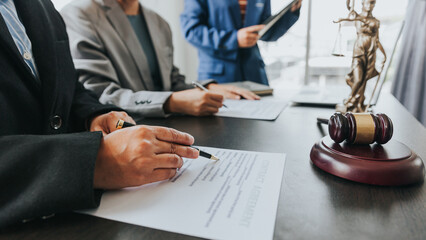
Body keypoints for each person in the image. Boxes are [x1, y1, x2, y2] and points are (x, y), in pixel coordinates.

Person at [0, 0, 199, 227]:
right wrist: (92, 162)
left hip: (72, 216)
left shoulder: (41, 5)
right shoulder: (78, 12)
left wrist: (93, 115)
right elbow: (101, 87)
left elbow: (69, 86)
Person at [60, 0, 259, 118]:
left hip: (171, 131)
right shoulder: (79, 14)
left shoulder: (158, 22)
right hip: (125, 135)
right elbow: (99, 94)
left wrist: (206, 87)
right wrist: (170, 102)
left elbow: (172, 81)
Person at [180, 0, 302, 85]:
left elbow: (266, 33)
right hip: (218, 75)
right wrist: (234, 39)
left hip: (254, 74)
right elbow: (192, 31)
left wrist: (291, 12)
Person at [334, 0, 386, 113]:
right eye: (367, 2)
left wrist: (384, 54)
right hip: (358, 53)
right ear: (362, 3)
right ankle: (349, 101)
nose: (369, 5)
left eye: (372, 3)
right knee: (357, 79)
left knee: (363, 80)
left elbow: (377, 40)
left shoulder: (375, 22)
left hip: (370, 54)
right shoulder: (356, 16)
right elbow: (349, 7)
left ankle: (358, 104)